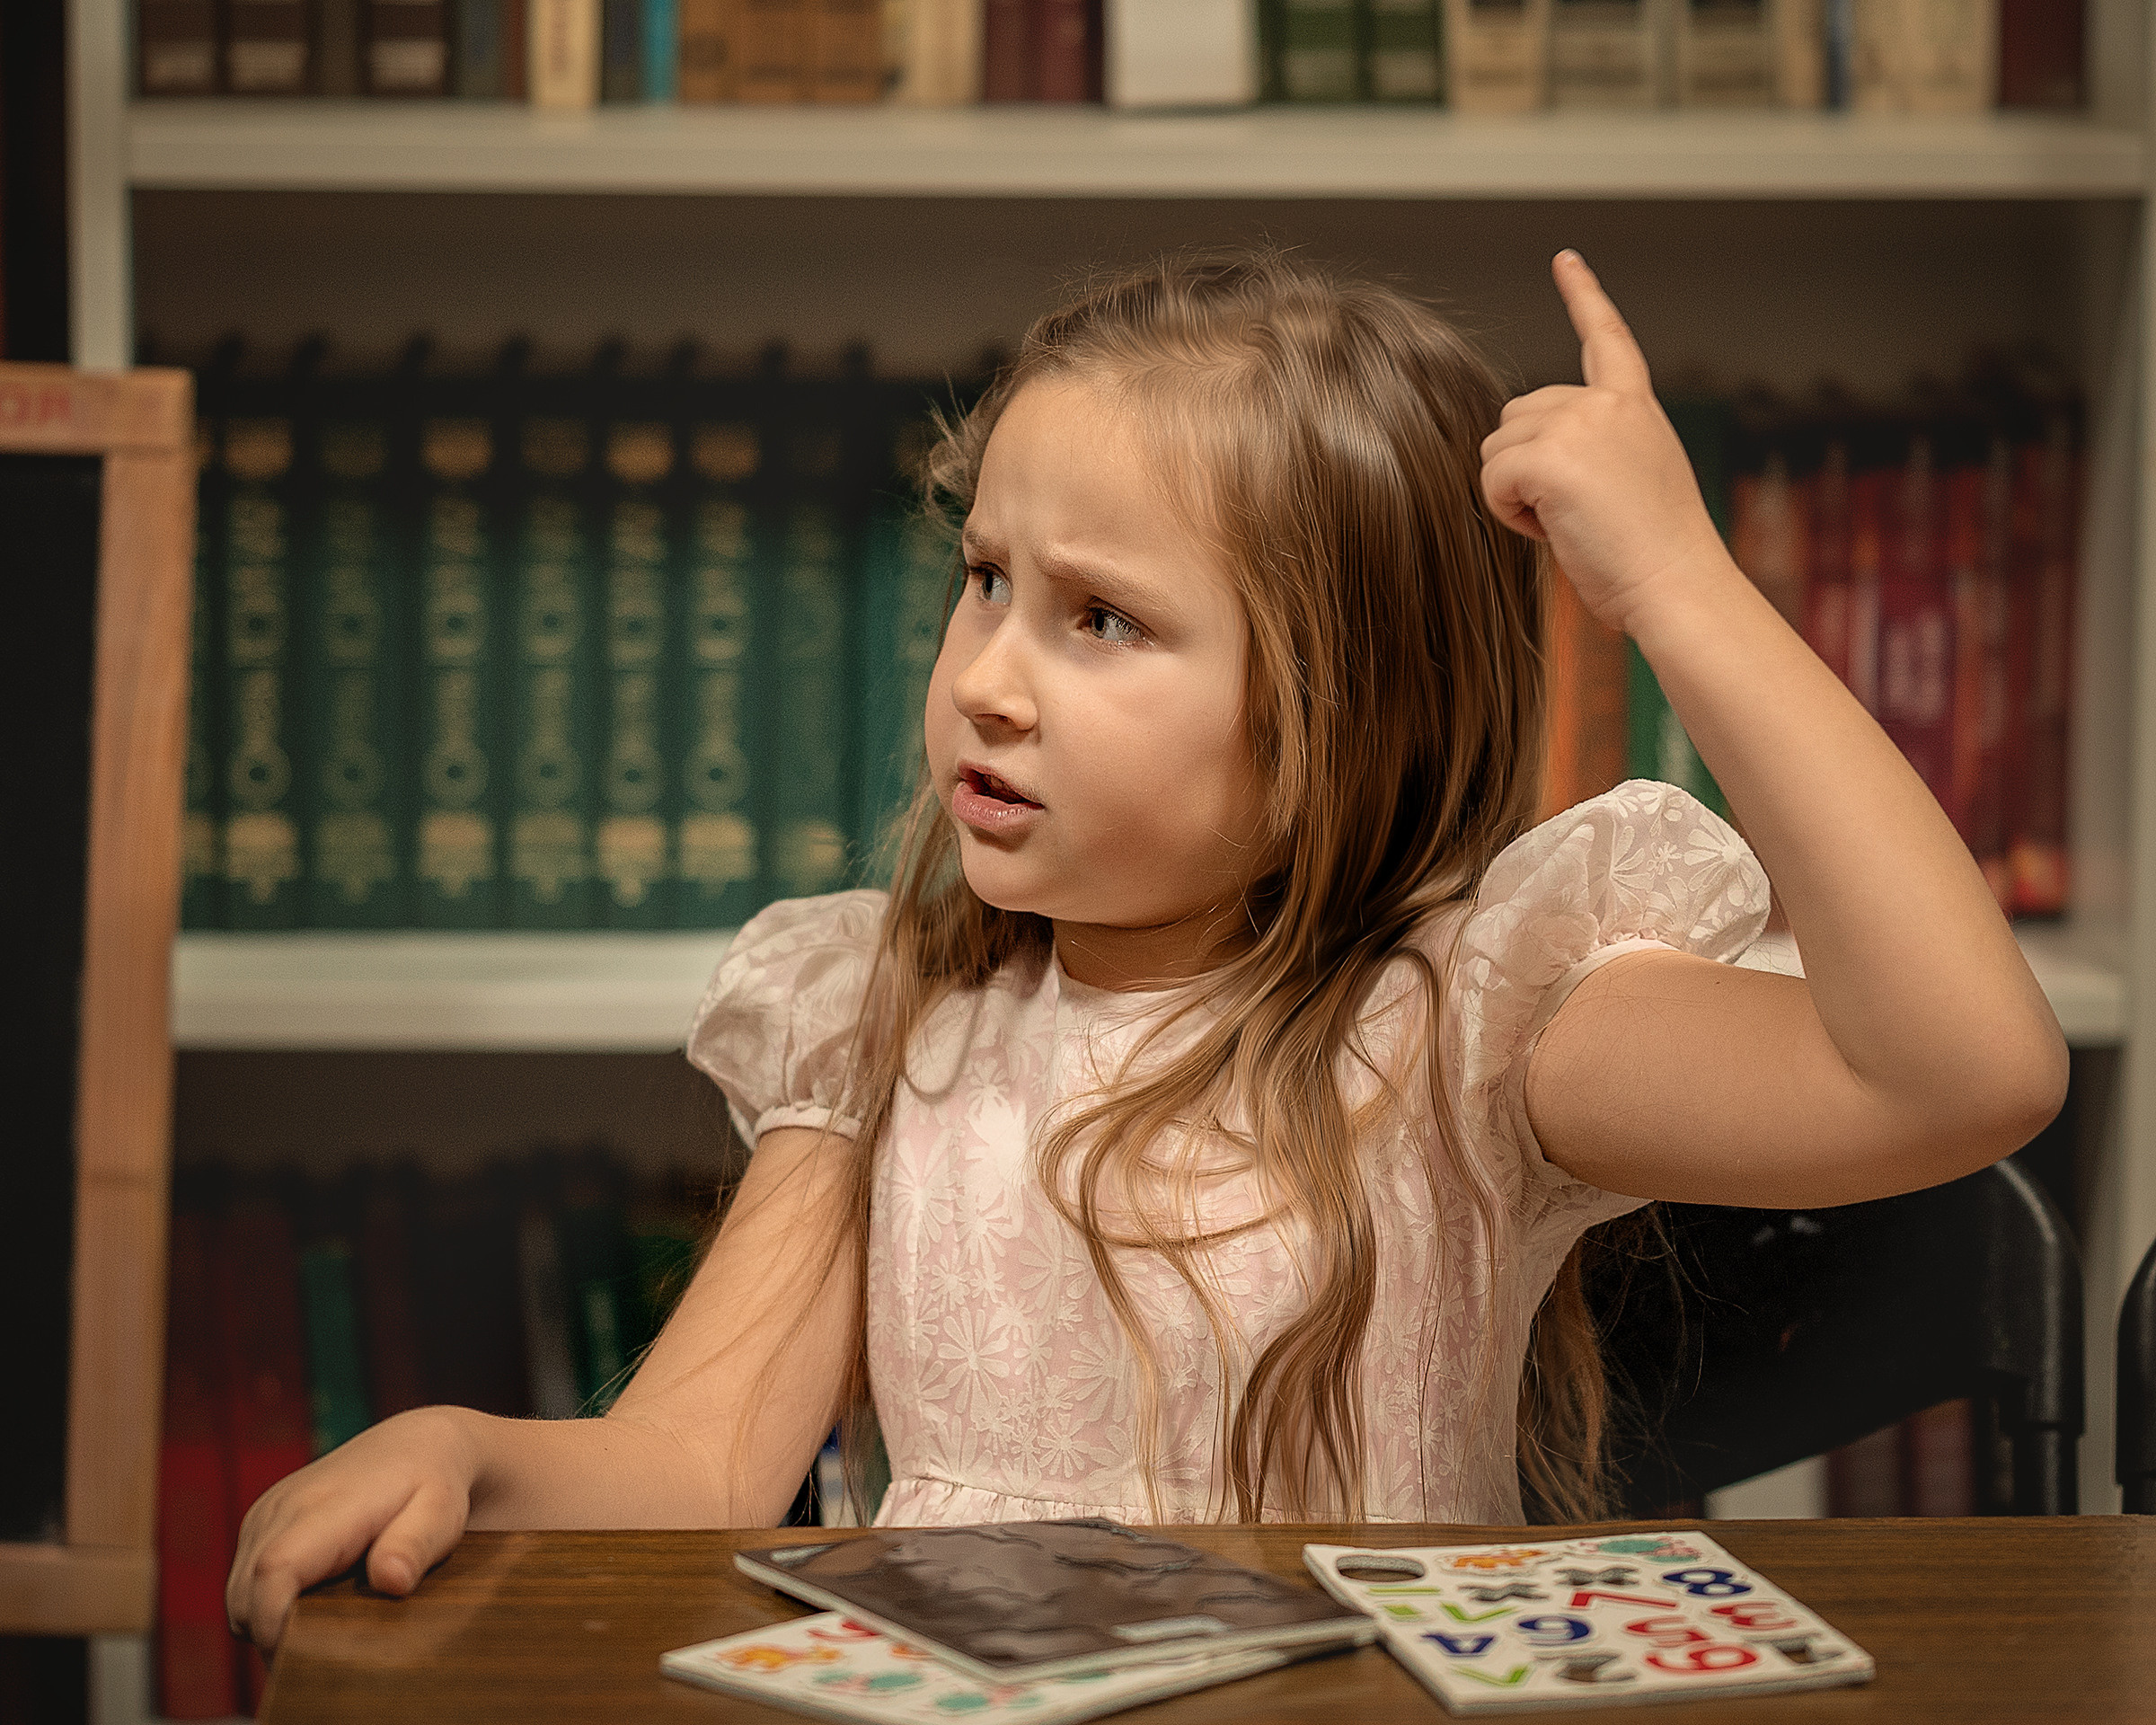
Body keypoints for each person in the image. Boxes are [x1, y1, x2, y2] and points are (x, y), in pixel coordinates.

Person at [226, 250, 2064, 1650]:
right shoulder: (882, 1015)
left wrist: (1681, 589)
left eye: (1102, 618)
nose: (990, 681)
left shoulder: (1479, 1031)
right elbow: (694, 1471)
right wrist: (478, 1446)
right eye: (986, 581)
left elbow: (1960, 1071)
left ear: (1348, 705)